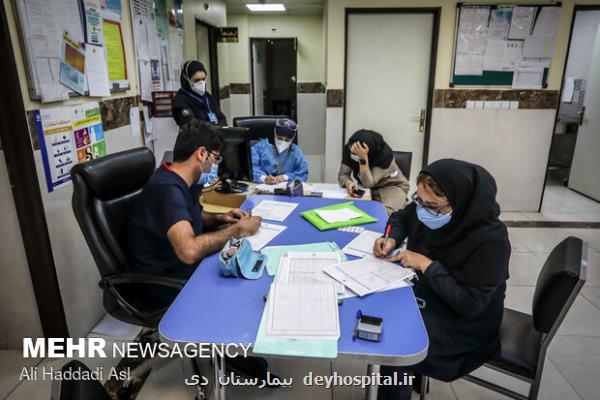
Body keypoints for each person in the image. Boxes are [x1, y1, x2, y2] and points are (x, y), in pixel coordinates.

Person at [373, 159, 510, 399]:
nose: (424, 210)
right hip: (433, 296)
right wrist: (391, 239)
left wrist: (425, 264)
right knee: (382, 311)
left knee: (396, 341)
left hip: (463, 326)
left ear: (462, 204)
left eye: (434, 206)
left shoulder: (491, 242)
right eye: (420, 201)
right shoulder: (427, 210)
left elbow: (471, 304)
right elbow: (402, 218)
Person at [128, 120, 262, 300]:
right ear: (201, 153)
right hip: (167, 282)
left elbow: (191, 218)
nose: (215, 165)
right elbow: (189, 251)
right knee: (244, 291)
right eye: (216, 158)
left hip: (184, 270)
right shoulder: (166, 189)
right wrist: (237, 230)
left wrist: (220, 218)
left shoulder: (181, 180)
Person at [338, 129, 409, 214]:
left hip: (391, 187)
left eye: (357, 153)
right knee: (352, 210)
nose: (353, 155)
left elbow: (368, 183)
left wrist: (363, 159)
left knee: (383, 214)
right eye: (352, 152)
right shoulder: (349, 148)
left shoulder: (384, 156)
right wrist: (348, 183)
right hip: (368, 189)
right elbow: (343, 175)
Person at [251, 118, 308, 184]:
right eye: (279, 138)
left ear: (292, 139)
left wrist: (285, 177)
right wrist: (264, 178)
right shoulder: (260, 147)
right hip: (262, 188)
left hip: (287, 191)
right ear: (274, 133)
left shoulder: (296, 152)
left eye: (287, 140)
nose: (282, 142)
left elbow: (303, 173)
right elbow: (251, 169)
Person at [172, 60, 227, 127]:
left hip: (214, 136)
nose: (201, 83)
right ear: (186, 80)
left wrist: (219, 128)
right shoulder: (180, 100)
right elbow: (190, 122)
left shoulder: (207, 97)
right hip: (194, 137)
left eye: (203, 79)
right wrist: (211, 127)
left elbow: (221, 118)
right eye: (197, 80)